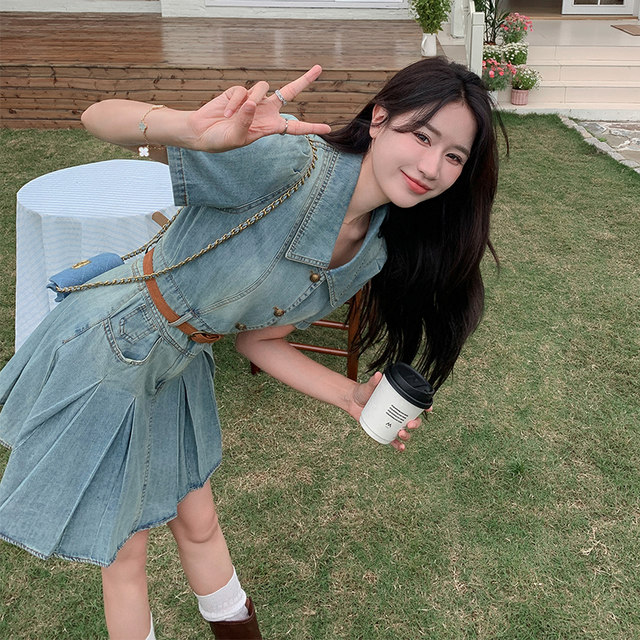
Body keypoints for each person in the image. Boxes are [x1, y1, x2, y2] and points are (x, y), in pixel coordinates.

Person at [0, 57, 500, 639]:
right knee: (125, 555)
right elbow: (97, 115)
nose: (431, 167)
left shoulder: (372, 251)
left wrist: (350, 396)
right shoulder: (293, 163)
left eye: (454, 156)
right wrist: (190, 128)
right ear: (380, 118)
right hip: (113, 346)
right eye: (423, 136)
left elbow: (260, 340)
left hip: (181, 363)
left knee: (200, 526)